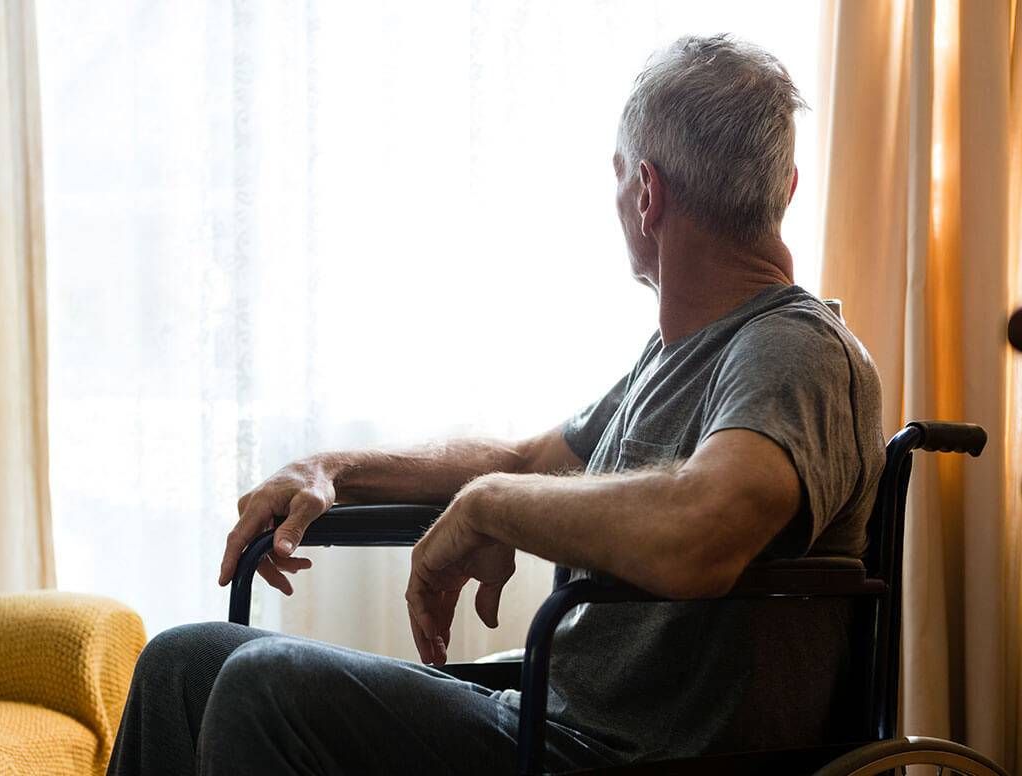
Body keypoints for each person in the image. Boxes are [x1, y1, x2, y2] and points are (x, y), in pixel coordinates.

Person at [106, 34, 884, 775]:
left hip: (628, 756)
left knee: (266, 687)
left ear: (645, 192)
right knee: (184, 664)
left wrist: (492, 509)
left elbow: (701, 532)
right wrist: (331, 469)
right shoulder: (681, 353)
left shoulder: (793, 349)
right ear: (784, 187)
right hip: (554, 719)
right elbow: (520, 462)